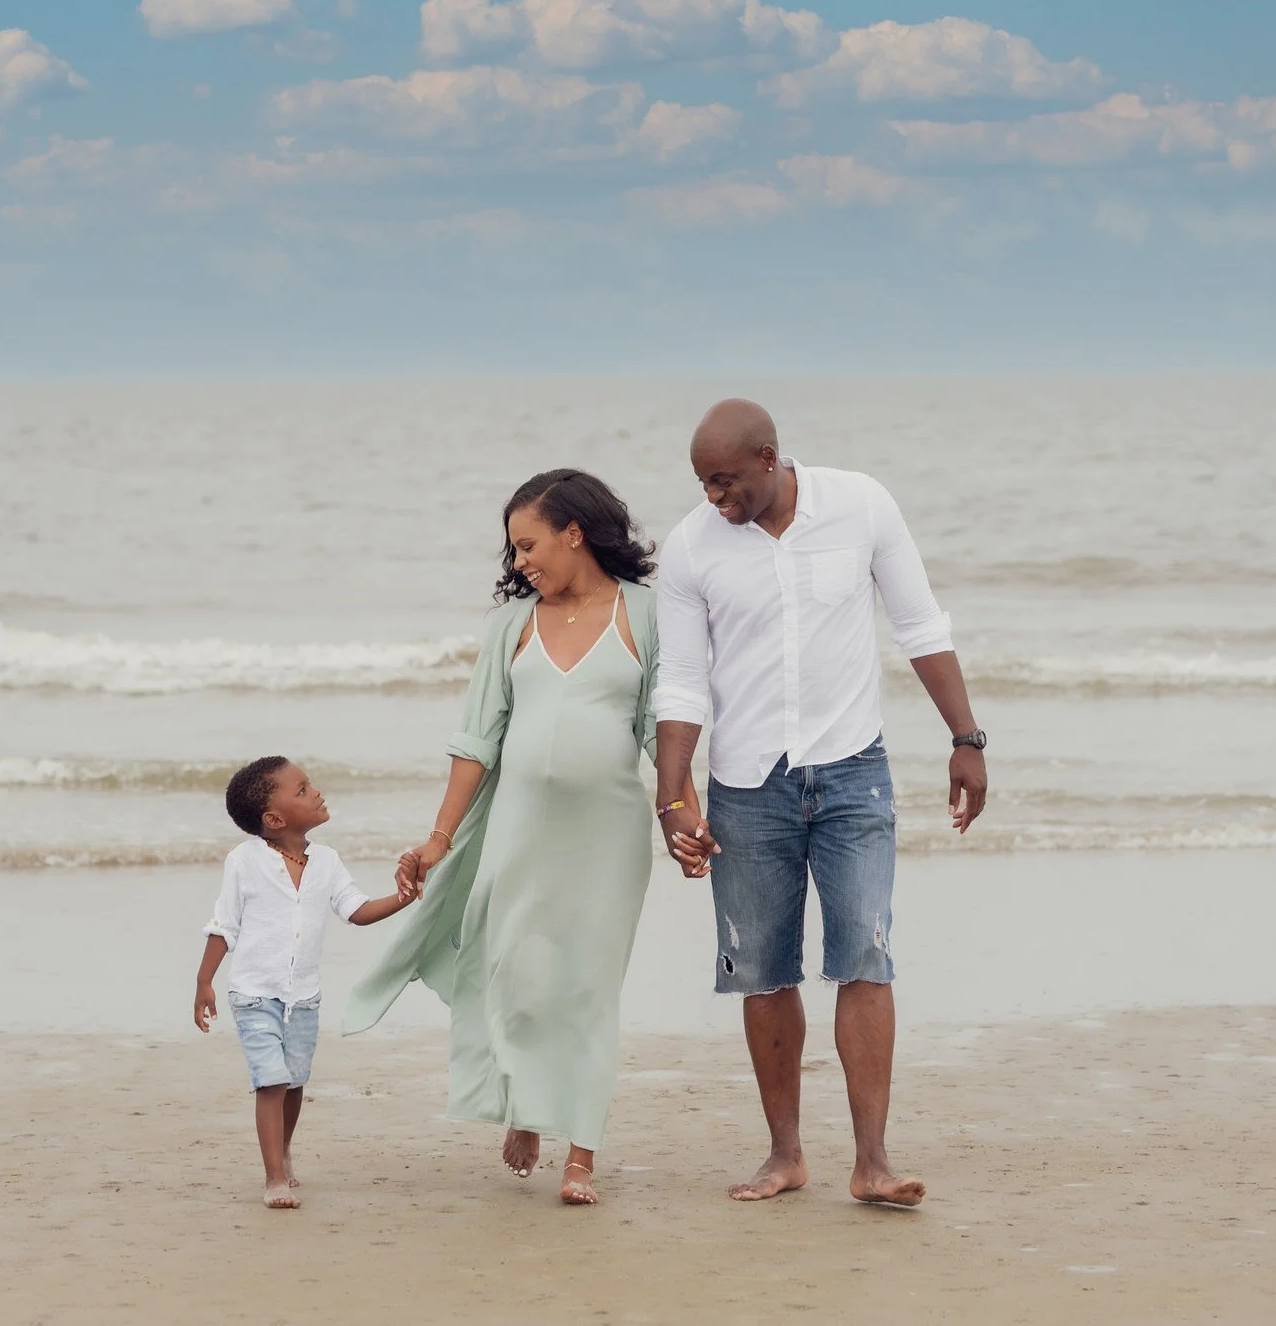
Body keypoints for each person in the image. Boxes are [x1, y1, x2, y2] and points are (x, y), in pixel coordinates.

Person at [653, 398, 988, 1207]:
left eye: (725, 480)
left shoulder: (862, 504)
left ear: (770, 458)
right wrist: (672, 799)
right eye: (703, 482)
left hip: (853, 774)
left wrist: (966, 738)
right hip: (745, 786)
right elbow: (683, 681)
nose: (713, 498)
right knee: (763, 976)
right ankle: (785, 1154)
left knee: (865, 957)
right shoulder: (690, 547)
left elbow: (918, 623)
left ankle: (872, 1160)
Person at [344, 470, 706, 1207]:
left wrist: (681, 815)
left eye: (528, 544)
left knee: (588, 984)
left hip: (605, 837)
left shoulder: (646, 612)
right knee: (515, 969)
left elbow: (660, 731)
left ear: (575, 532)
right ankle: (523, 1103)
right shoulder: (511, 626)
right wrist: (439, 838)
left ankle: (581, 1150)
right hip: (518, 829)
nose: (519, 563)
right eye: (513, 551)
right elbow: (477, 740)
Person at [194, 756, 411, 1210]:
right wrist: (204, 981)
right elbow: (224, 925)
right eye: (302, 789)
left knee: (293, 1083)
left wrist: (404, 897)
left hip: (304, 996)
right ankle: (274, 1177)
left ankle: (284, 1151)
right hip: (254, 992)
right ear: (274, 819)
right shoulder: (244, 862)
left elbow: (357, 910)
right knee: (270, 1082)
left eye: (310, 784)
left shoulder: (327, 862)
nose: (315, 791)